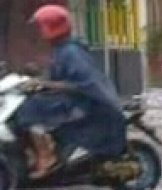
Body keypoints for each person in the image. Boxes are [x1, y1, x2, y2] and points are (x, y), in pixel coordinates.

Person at [15, 4, 125, 179]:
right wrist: (36, 76)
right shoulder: (61, 49)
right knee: (28, 104)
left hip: (84, 104)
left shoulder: (71, 52)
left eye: (42, 26)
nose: (39, 31)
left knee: (28, 111)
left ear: (52, 27)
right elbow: (57, 76)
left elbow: (80, 84)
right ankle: (32, 154)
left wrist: (45, 84)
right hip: (69, 99)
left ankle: (47, 157)